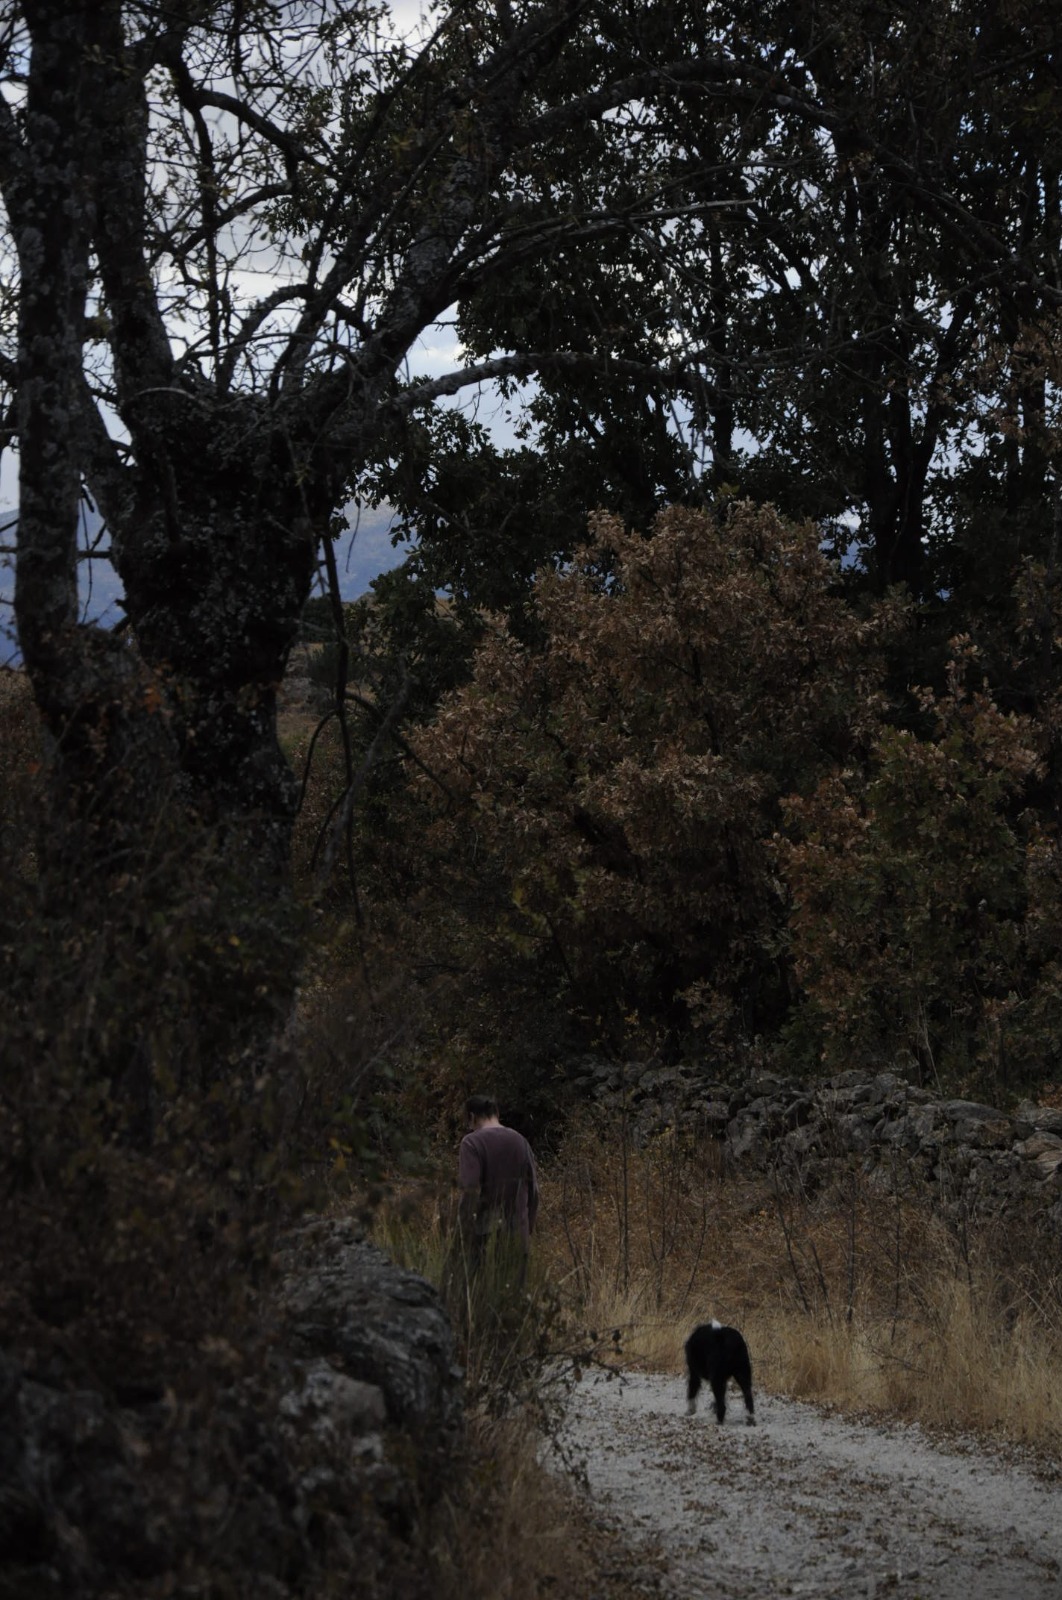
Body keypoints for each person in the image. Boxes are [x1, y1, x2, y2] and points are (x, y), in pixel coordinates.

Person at [457, 1094, 539, 1275]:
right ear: (497, 1113)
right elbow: (534, 1192)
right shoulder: (520, 1141)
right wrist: (527, 1229)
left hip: (483, 1240)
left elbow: (470, 1191)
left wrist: (463, 1232)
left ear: (471, 1117)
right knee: (514, 1299)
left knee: (482, 1299)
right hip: (518, 1236)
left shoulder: (471, 1142)